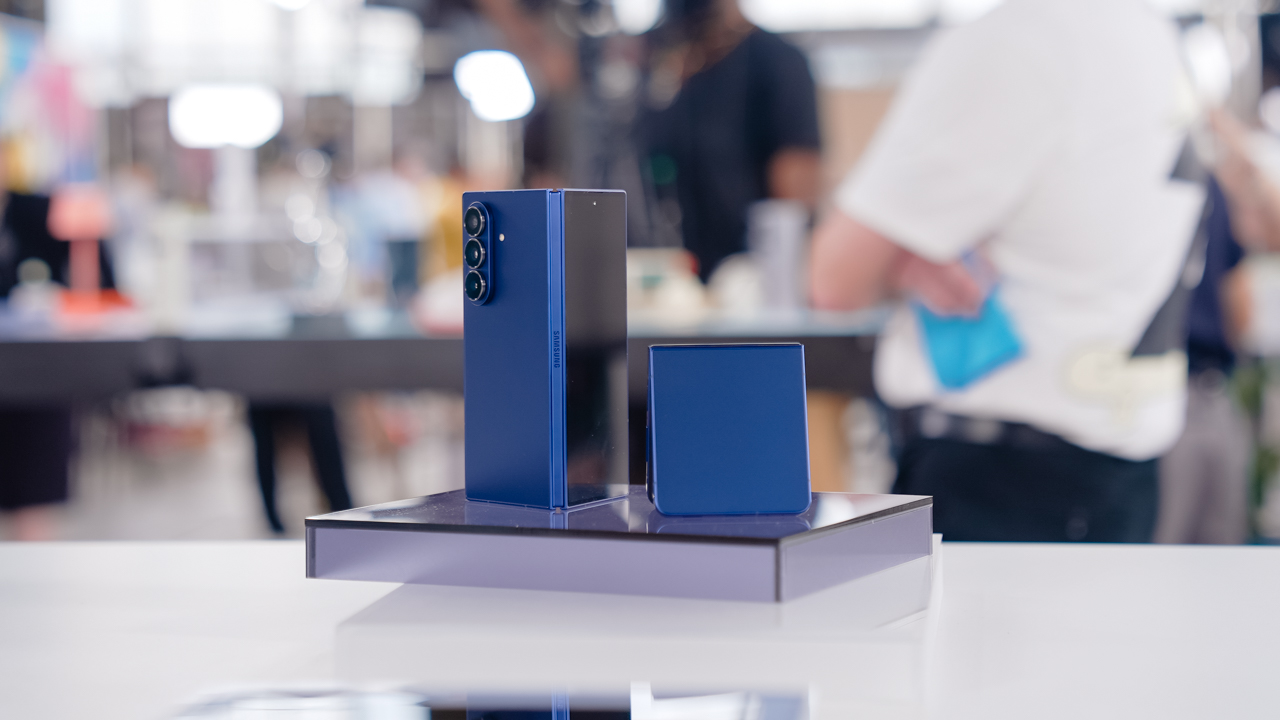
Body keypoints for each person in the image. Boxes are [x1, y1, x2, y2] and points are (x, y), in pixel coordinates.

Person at [809, 0, 1205, 542]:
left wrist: (900, 258)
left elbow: (834, 278)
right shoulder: (1153, 37)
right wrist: (909, 258)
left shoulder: (1016, 43)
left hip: (999, 484)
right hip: (1118, 475)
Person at [638, 0, 820, 280]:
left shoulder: (777, 63)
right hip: (663, 272)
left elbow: (793, 202)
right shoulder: (652, 63)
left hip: (743, 278)